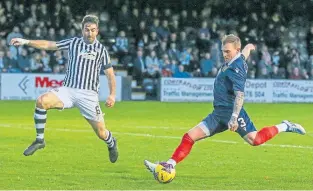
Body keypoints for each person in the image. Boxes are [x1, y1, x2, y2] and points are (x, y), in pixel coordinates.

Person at [144, 34, 306, 175]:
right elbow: (244, 53)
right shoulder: (237, 57)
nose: (224, 54)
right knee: (189, 137)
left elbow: (240, 95)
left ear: (236, 49)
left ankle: (285, 126)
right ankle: (167, 166)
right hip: (218, 114)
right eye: (223, 51)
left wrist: (235, 117)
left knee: (255, 140)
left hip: (231, 113)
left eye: (227, 51)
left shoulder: (237, 69)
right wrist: (249, 47)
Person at [11, 15, 119, 163]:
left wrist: (112, 95)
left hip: (88, 95)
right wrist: (26, 42)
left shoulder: (101, 50)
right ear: (82, 30)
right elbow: (49, 45)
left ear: (97, 31)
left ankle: (112, 143)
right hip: (68, 90)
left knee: (101, 132)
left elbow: (110, 75)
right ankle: (40, 140)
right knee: (42, 101)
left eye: (93, 30)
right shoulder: (73, 42)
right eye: (87, 30)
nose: (89, 33)